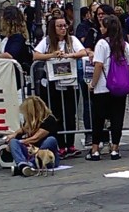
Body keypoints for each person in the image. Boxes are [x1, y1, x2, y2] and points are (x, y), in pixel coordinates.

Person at [33, 15, 88, 155]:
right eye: (60, 26)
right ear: (54, 28)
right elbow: (36, 55)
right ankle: (60, 145)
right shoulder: (47, 42)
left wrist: (70, 56)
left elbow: (83, 52)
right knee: (56, 114)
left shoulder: (72, 40)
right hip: (54, 83)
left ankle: (70, 144)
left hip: (70, 82)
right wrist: (52, 55)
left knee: (70, 113)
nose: (63, 29)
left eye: (65, 26)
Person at [88, 14, 129, 161]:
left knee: (98, 118)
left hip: (102, 87)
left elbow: (98, 65)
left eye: (102, 26)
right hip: (119, 88)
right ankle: (115, 148)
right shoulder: (124, 45)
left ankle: (95, 150)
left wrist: (92, 84)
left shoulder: (102, 44)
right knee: (117, 118)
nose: (100, 28)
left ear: (107, 28)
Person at [5, 94, 60, 178]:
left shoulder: (49, 120)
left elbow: (35, 138)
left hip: (45, 156)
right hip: (31, 152)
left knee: (51, 140)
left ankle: (29, 165)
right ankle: (23, 165)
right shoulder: (29, 122)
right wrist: (14, 134)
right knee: (13, 142)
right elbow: (23, 129)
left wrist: (21, 142)